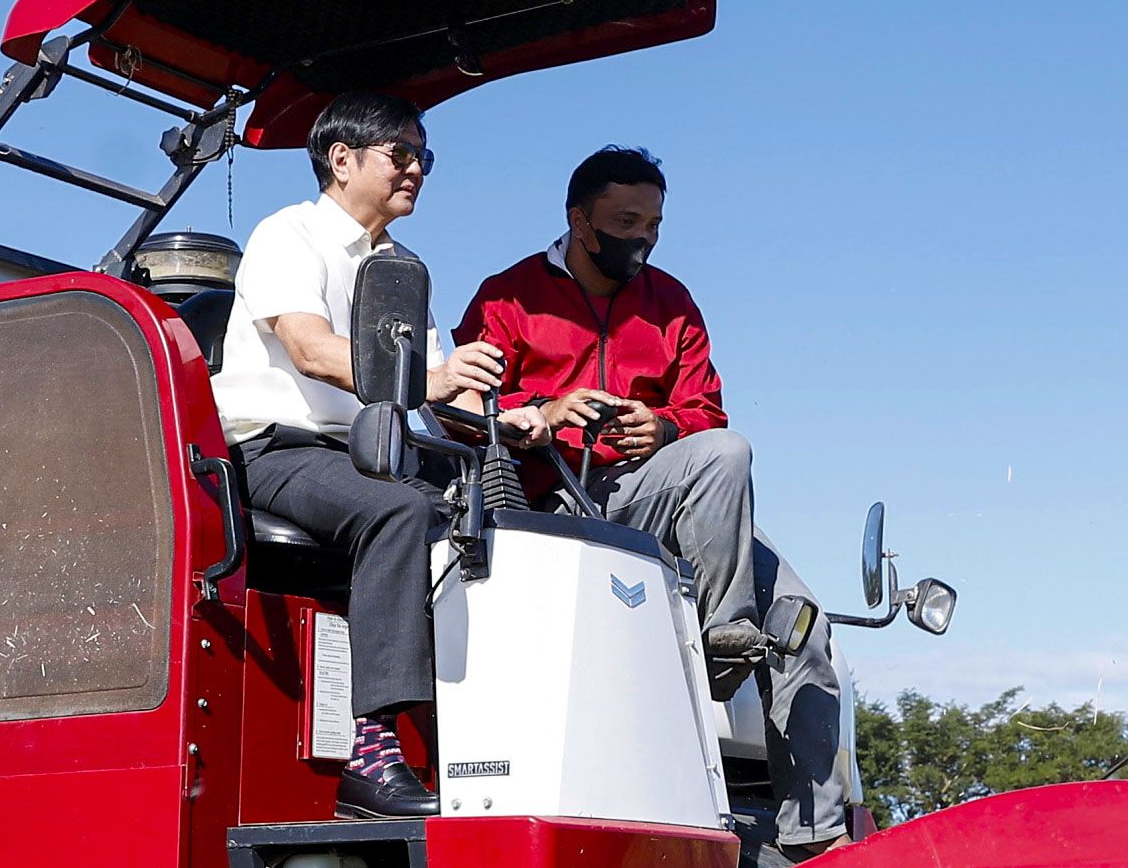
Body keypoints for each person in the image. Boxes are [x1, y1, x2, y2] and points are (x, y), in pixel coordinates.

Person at [214, 92, 503, 817]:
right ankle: (371, 753)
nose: (416, 170)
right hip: (275, 449)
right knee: (398, 511)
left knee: (495, 517)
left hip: (366, 452)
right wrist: (433, 382)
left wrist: (513, 419)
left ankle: (488, 734)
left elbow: (437, 390)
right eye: (400, 154)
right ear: (341, 160)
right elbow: (312, 351)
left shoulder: (401, 267)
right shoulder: (288, 235)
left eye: (423, 157)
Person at [455, 145, 771, 672]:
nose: (644, 238)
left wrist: (664, 429)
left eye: (654, 224)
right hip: (552, 500)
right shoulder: (507, 297)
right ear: (579, 222)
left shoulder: (673, 301)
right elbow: (464, 407)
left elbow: (707, 411)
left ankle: (727, 649)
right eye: (627, 222)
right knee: (727, 453)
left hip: (663, 493)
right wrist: (547, 412)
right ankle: (722, 637)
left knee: (804, 624)